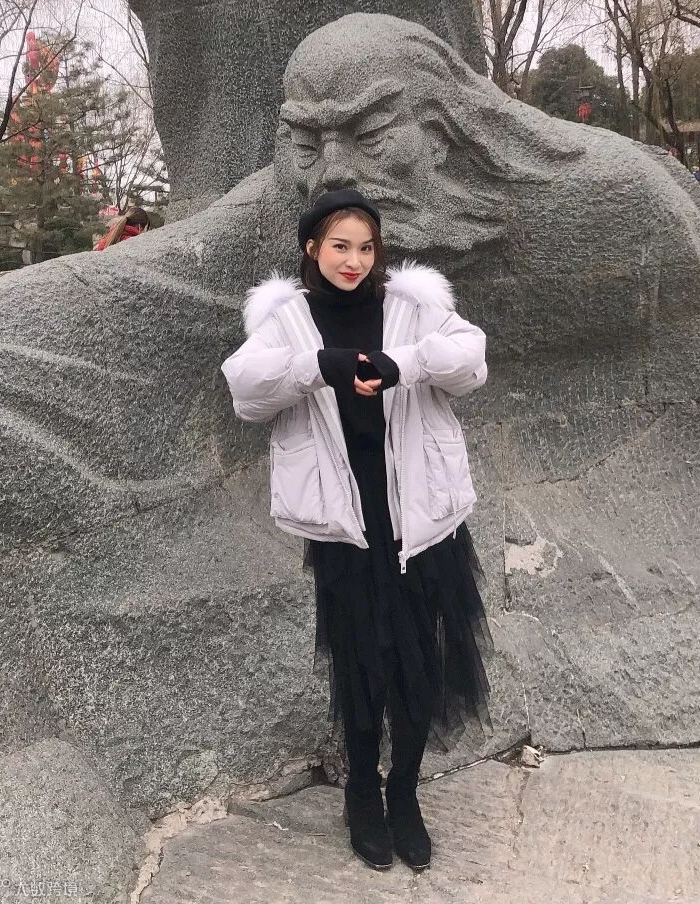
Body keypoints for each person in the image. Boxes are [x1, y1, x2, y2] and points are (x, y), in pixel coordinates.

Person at [220, 188, 495, 872]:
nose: (354, 260)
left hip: (421, 517)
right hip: (345, 523)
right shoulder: (287, 319)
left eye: (366, 247)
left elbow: (471, 362)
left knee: (422, 659)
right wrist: (317, 367)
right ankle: (362, 793)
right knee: (362, 660)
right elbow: (246, 391)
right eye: (340, 246)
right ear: (312, 248)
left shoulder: (413, 306)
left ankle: (404, 791)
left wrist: (407, 362)